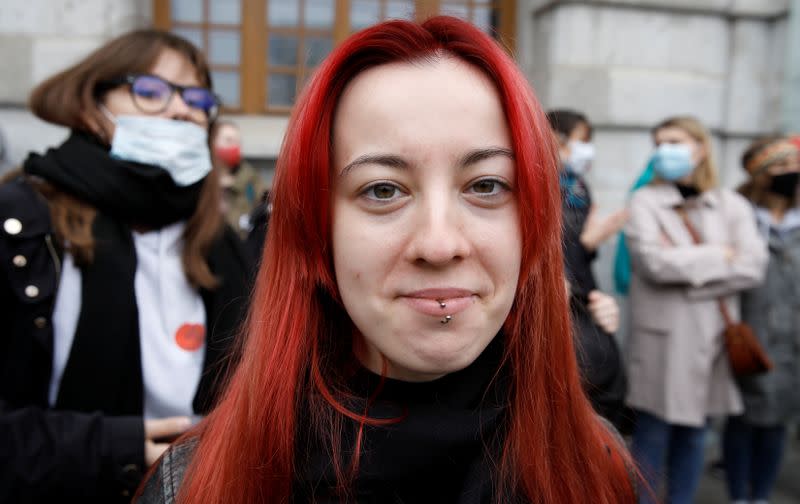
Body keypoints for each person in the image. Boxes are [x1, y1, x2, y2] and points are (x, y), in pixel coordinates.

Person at [137, 16, 637, 504]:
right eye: (382, 190)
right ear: (316, 230)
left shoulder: (601, 468)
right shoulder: (196, 483)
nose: (440, 245)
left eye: (486, 185)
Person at [0, 30, 251, 501]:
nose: (182, 111)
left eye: (198, 99)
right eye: (152, 92)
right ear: (93, 107)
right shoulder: (20, 225)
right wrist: (112, 448)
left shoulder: (222, 245)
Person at [623, 116, 768, 504]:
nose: (663, 150)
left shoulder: (730, 203)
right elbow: (653, 264)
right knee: (651, 436)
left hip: (713, 340)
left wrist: (688, 270)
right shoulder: (644, 200)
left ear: (701, 148)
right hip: (662, 341)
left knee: (695, 434)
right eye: (658, 142)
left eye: (675, 141)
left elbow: (753, 267)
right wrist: (720, 256)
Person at [722, 137, 800, 504]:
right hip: (749, 331)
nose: (791, 174)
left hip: (794, 337)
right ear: (761, 174)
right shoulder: (740, 215)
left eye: (794, 166)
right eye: (781, 168)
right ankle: (739, 494)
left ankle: (763, 495)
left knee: (779, 420)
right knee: (744, 417)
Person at [546, 109, 628, 428]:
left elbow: (574, 250)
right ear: (556, 139)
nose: (586, 149)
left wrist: (591, 243)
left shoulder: (579, 186)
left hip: (583, 299)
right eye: (581, 140)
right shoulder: (534, 182)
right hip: (554, 304)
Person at [212, 120, 268, 239]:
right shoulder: (201, 179)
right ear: (212, 143)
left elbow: (264, 205)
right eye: (228, 140)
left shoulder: (251, 178)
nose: (234, 146)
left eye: (238, 142)